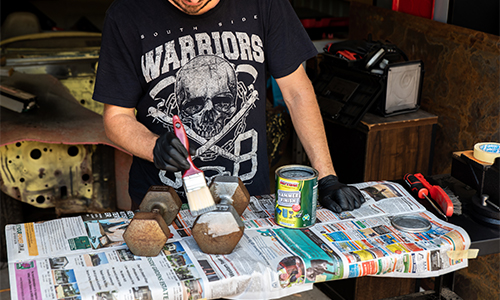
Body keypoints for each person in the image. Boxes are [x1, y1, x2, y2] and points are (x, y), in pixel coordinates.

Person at [92, 0, 364, 213]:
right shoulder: (126, 15)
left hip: (248, 201)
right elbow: (116, 117)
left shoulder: (263, 4)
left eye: (222, 102)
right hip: (161, 206)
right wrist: (153, 147)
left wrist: (326, 176)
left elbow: (297, 93)